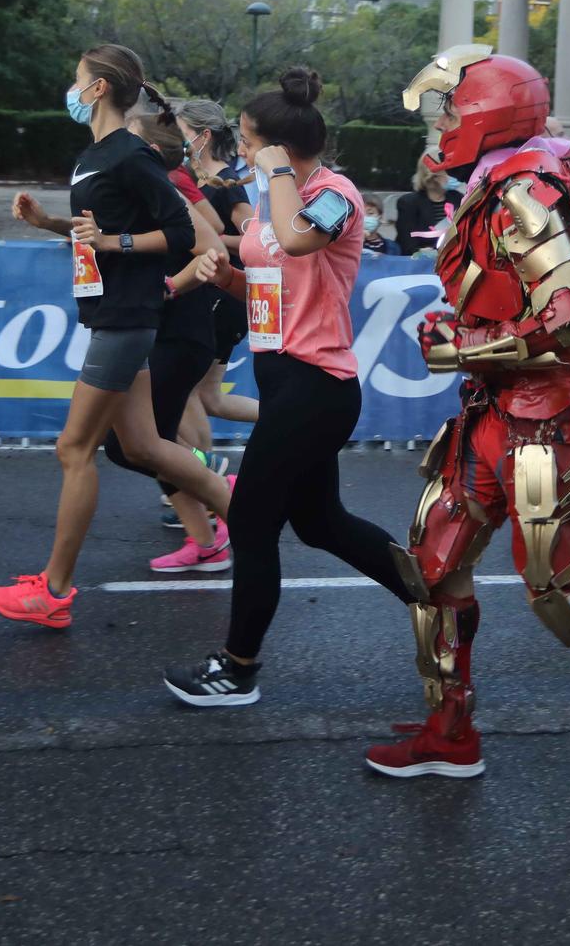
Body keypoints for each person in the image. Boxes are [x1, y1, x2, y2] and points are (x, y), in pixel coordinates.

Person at [360, 47, 570, 778]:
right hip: (490, 416)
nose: (445, 122)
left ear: (489, 111)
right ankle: (449, 732)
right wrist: (472, 353)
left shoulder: (527, 192)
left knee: (565, 601)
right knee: (432, 567)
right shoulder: (497, 184)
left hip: (541, 427)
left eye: (454, 107)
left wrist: (462, 347)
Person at [163, 67, 417, 706]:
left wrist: (276, 173)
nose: (240, 151)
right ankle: (435, 595)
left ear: (277, 146)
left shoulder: (337, 194)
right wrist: (228, 281)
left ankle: (237, 667)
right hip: (282, 378)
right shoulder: (275, 191)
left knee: (252, 519)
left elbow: (299, 243)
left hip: (319, 385)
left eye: (248, 141)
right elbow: (274, 286)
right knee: (320, 523)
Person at [0, 45, 232, 627]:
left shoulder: (130, 155)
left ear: (98, 89)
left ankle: (54, 592)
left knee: (74, 449)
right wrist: (48, 224)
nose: (70, 89)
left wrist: (112, 245)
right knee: (143, 447)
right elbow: (100, 230)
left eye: (77, 80)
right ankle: (249, 517)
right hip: (112, 314)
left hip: (127, 318)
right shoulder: (94, 157)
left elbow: (186, 237)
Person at [99, 102, 233, 573]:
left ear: (149, 150)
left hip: (179, 331)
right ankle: (208, 538)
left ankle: (222, 491)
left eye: (128, 137)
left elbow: (214, 242)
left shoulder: (165, 186)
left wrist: (171, 285)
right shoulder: (141, 185)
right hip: (163, 330)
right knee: (143, 442)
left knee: (134, 444)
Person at [173, 98, 258, 448]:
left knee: (186, 388)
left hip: (224, 296)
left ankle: (200, 476)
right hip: (206, 294)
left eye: (179, 134)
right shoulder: (195, 180)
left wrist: (215, 238)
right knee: (209, 398)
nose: (172, 141)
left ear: (202, 136)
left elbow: (256, 240)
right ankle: (294, 419)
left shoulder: (227, 181)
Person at [392, 153, 462, 255]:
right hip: (421, 267)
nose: (455, 175)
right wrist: (423, 253)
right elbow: (408, 245)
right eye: (449, 171)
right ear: (434, 175)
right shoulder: (408, 203)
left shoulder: (459, 198)